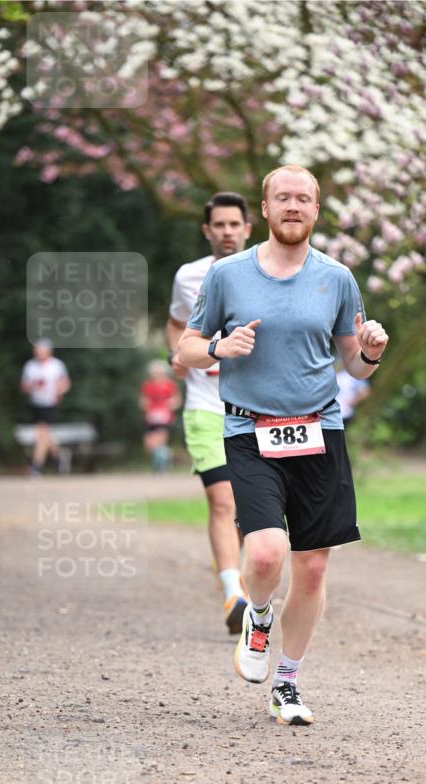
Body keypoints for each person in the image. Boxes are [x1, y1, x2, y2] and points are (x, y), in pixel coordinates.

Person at [177, 165, 388, 726]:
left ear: (316, 210)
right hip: (250, 430)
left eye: (303, 199)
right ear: (265, 209)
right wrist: (219, 348)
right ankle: (258, 615)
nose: (293, 206)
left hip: (320, 430)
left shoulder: (337, 278)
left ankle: (287, 683)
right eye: (282, 198)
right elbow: (186, 349)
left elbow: (354, 364)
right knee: (267, 554)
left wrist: (371, 350)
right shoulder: (227, 275)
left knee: (312, 568)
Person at [166, 192, 252, 633]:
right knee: (222, 500)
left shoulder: (265, 272)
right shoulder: (189, 276)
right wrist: (176, 355)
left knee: (247, 509)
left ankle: (243, 579)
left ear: (248, 229)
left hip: (255, 409)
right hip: (205, 405)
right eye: (219, 225)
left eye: (234, 224)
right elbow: (176, 324)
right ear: (207, 230)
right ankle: (233, 593)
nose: (227, 232)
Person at [20, 338, 71, 475]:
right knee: (45, 434)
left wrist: (59, 392)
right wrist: (32, 387)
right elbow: (24, 386)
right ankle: (59, 458)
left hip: (50, 403)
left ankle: (36, 465)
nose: (37, 353)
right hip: (36, 403)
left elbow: (65, 383)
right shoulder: (30, 365)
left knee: (41, 433)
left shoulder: (56, 365)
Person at [139, 360, 181, 472]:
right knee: (149, 444)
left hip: (164, 417)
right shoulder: (147, 385)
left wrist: (170, 405)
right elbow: (143, 400)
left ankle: (160, 467)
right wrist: (144, 405)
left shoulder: (170, 385)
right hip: (151, 417)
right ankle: (166, 454)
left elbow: (177, 400)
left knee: (160, 441)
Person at [336, 363, 371, 428]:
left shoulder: (357, 377)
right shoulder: (339, 372)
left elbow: (365, 391)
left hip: (343, 413)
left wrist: (354, 401)